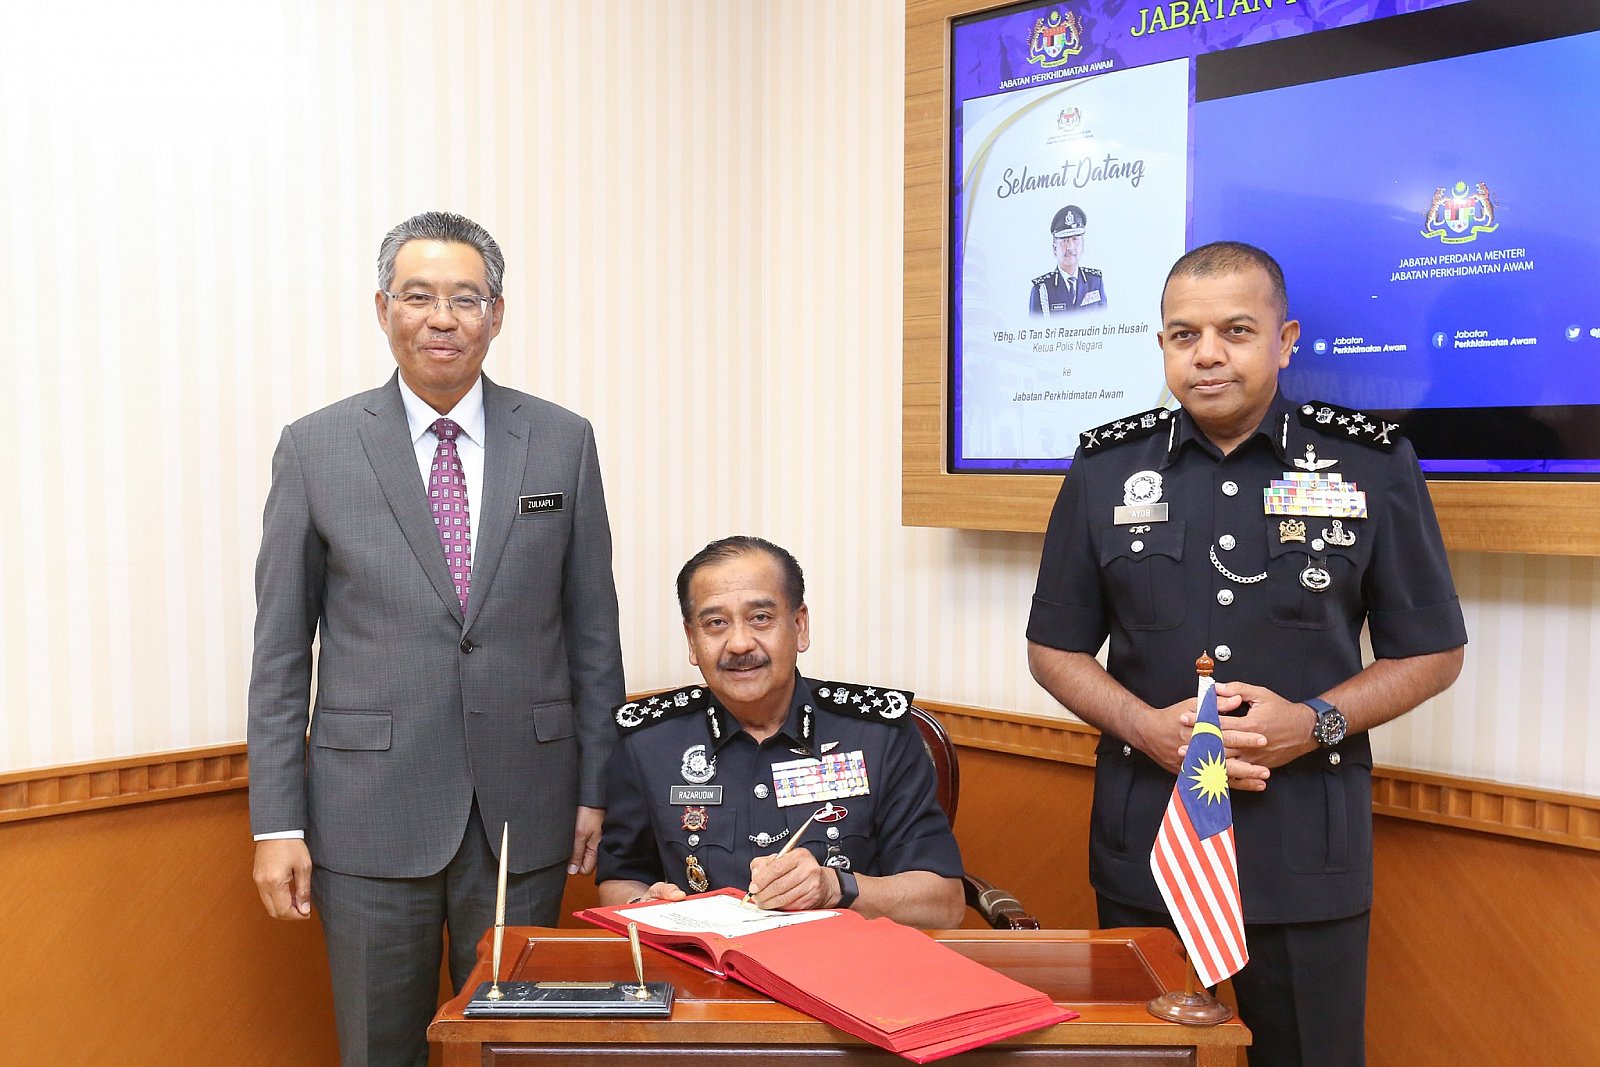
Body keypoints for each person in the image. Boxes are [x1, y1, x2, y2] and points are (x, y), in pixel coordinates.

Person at [1026, 241, 1466, 1067]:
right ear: (1162, 344)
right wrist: (1144, 726)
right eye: (1183, 334)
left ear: (1285, 340)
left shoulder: (1369, 464)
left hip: (1303, 849)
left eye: (1235, 330)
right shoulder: (1106, 467)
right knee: (1144, 1058)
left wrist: (1314, 721)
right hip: (1148, 841)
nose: (1207, 354)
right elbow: (1053, 646)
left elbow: (1433, 652)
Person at [248, 211, 624, 1067]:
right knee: (381, 1047)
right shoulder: (315, 448)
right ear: (383, 309)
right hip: (367, 814)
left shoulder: (561, 441)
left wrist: (595, 788)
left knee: (516, 1048)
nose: (442, 318)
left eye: (466, 298)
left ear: (498, 313)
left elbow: (593, 633)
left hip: (526, 808)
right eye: (418, 297)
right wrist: (276, 823)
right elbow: (279, 655)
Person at [596, 536, 965, 928]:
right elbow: (620, 878)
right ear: (692, 640)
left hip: (841, 960)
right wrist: (643, 904)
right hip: (705, 963)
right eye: (716, 623)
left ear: (799, 626)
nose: (740, 643)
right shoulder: (648, 743)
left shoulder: (877, 735)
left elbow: (944, 904)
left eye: (760, 618)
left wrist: (835, 887)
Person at [1028, 204, 1106, 315]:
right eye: (1064, 241)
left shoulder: (1095, 282)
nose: (1070, 247)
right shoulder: (1041, 289)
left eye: (1075, 239)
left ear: (1082, 245)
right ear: (1055, 249)